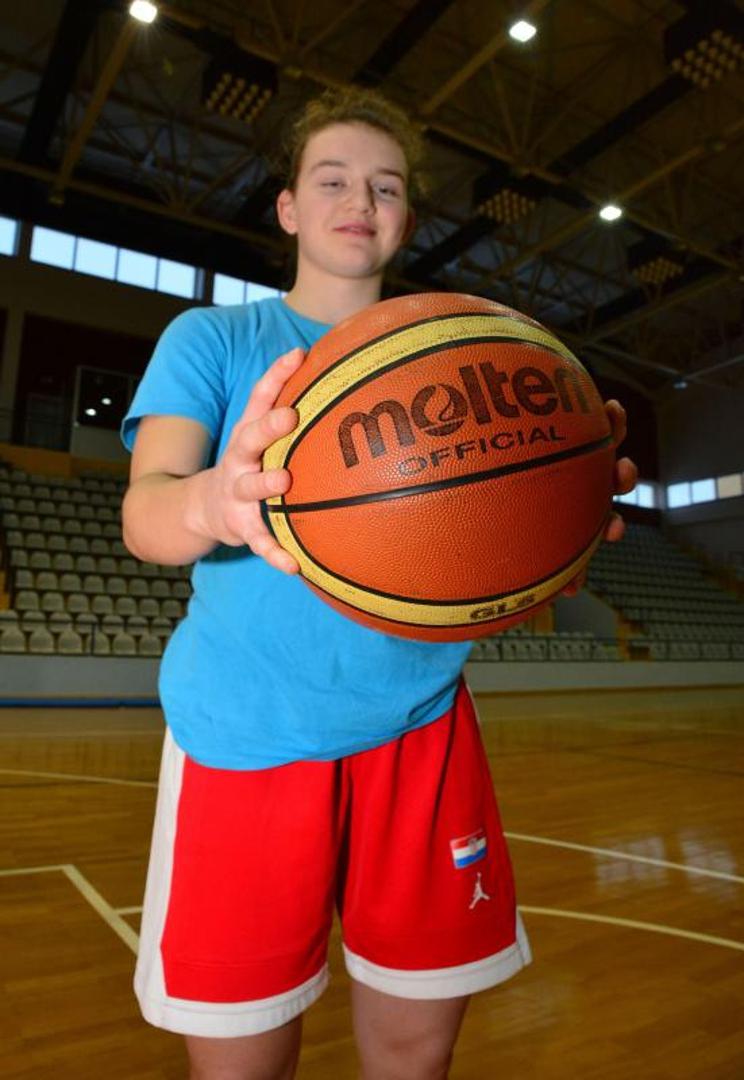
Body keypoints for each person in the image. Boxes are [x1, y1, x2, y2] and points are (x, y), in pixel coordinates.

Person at [121, 86, 637, 1080]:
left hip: (421, 733)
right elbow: (144, 515)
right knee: (240, 1064)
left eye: (387, 186)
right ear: (287, 207)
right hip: (246, 737)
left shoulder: (466, 342)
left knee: (413, 1055)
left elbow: (493, 538)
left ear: (406, 217)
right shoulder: (214, 340)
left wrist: (558, 506)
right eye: (333, 180)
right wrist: (214, 502)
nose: (361, 200)